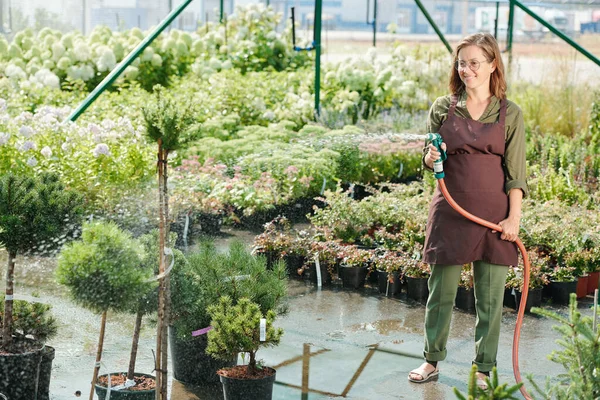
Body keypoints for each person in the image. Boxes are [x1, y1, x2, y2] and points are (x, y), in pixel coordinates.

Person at [407, 32, 528, 390]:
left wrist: (513, 219)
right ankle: (431, 360)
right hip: (451, 211)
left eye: (474, 62)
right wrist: (430, 159)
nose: (466, 69)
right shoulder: (443, 108)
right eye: (462, 63)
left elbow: (516, 173)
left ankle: (485, 368)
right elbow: (432, 159)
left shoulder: (510, 113)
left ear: (492, 65)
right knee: (440, 292)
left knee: (490, 298)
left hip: (493, 218)